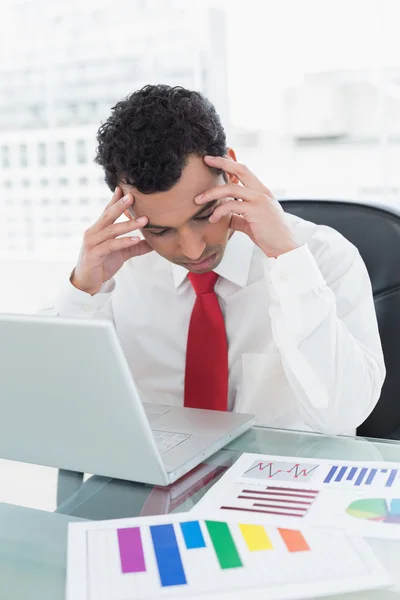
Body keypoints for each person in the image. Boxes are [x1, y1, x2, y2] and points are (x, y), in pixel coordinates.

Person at [43, 84, 385, 435]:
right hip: (159, 482)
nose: (192, 251)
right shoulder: (118, 272)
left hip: (284, 481)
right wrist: (82, 292)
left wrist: (289, 261)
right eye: (161, 231)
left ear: (231, 172)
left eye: (204, 215)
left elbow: (342, 416)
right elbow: (47, 407)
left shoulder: (325, 257)